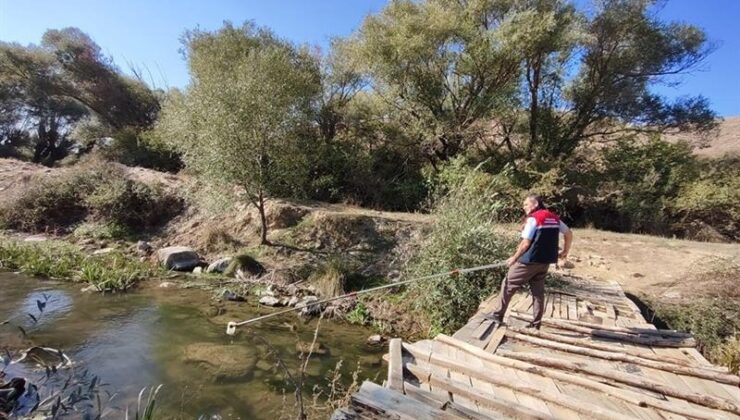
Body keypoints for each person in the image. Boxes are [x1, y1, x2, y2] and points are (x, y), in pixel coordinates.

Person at [483, 194, 573, 329]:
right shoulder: (554, 218)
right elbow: (569, 233)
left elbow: (526, 243)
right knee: (538, 292)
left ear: (535, 204)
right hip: (545, 262)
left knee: (508, 284)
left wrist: (514, 257)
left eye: (526, 204)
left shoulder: (534, 219)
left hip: (528, 261)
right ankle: (536, 323)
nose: (524, 207)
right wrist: (565, 251)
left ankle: (497, 315)